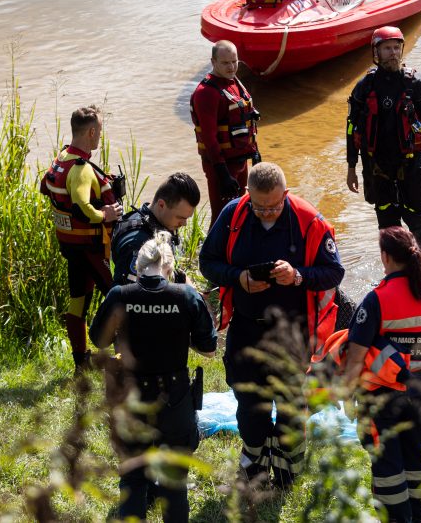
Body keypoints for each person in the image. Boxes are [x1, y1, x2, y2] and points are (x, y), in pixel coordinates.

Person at [199, 162, 344, 489]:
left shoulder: (308, 221)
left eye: (275, 207)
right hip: (247, 327)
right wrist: (239, 278)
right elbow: (207, 262)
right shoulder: (233, 216)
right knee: (250, 406)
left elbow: (334, 273)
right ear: (247, 194)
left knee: (291, 407)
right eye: (259, 207)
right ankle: (254, 472)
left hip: (291, 333)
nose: (266, 213)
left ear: (286, 195)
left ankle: (288, 475)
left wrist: (298, 276)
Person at [89, 232, 217, 522]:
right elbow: (209, 349)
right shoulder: (185, 296)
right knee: (174, 483)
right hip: (175, 400)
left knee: (133, 479)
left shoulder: (120, 295)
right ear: (169, 267)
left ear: (138, 265)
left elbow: (98, 340)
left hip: (131, 398)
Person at [338, 226, 421, 523]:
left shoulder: (376, 300)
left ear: (385, 257)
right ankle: (418, 513)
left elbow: (355, 358)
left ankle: (397, 518)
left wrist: (347, 397)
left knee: (387, 464)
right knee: (415, 455)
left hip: (382, 398)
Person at [346, 26, 421, 265]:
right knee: (387, 228)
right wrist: (351, 167)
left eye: (396, 47)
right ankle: (393, 275)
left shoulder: (418, 85)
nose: (393, 53)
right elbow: (352, 130)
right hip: (377, 169)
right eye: (387, 48)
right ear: (376, 52)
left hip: (411, 167)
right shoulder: (364, 87)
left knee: (418, 221)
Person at [40, 105, 123, 369]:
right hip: (90, 248)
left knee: (79, 301)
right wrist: (105, 214)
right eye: (99, 130)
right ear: (90, 131)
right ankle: (125, 360)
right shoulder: (82, 169)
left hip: (71, 246)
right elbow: (80, 207)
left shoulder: (61, 158)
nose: (100, 135)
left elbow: (46, 187)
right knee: (119, 297)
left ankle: (81, 362)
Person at [190, 40, 261, 227]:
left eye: (234, 61)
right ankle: (213, 254)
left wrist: (255, 152)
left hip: (240, 161)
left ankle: (236, 252)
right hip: (221, 166)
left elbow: (246, 122)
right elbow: (209, 137)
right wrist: (222, 174)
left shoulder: (234, 82)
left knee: (241, 212)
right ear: (213, 62)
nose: (231, 67)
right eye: (225, 63)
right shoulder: (206, 93)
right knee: (222, 217)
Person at [111, 172, 201, 286]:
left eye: (187, 218)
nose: (184, 224)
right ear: (161, 205)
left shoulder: (159, 222)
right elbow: (130, 298)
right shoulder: (137, 245)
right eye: (180, 217)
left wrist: (190, 289)